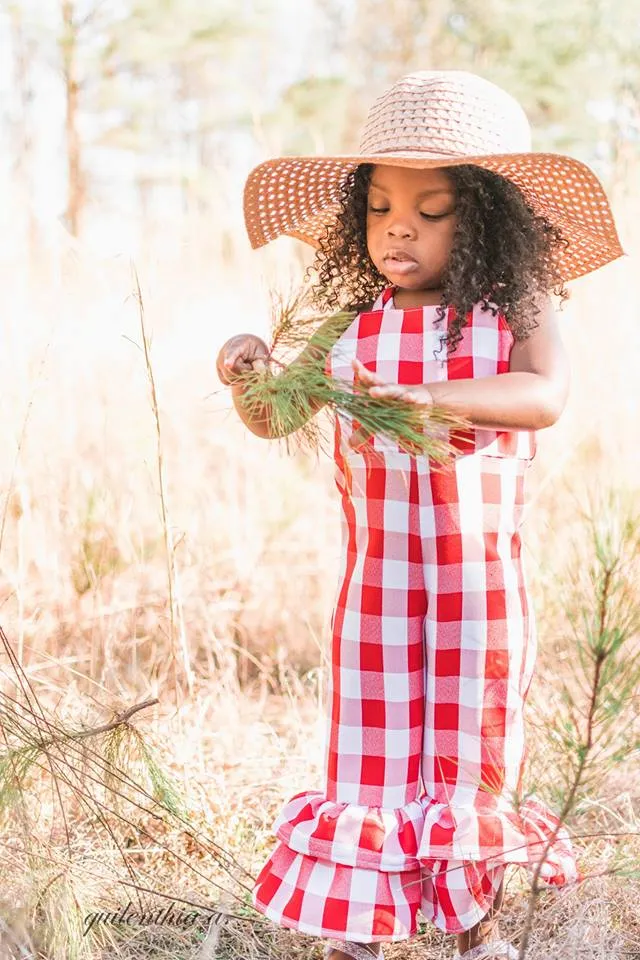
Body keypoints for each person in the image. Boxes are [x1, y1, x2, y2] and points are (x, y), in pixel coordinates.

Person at [216, 72, 624, 960]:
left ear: (485, 220)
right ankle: (359, 927)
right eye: (382, 206)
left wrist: (421, 393)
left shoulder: (515, 311)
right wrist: (247, 373)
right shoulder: (347, 329)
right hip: (379, 585)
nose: (399, 226)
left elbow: (545, 394)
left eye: (432, 208)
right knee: (371, 742)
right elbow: (279, 415)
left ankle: (471, 924)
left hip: (480, 584)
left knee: (470, 737)